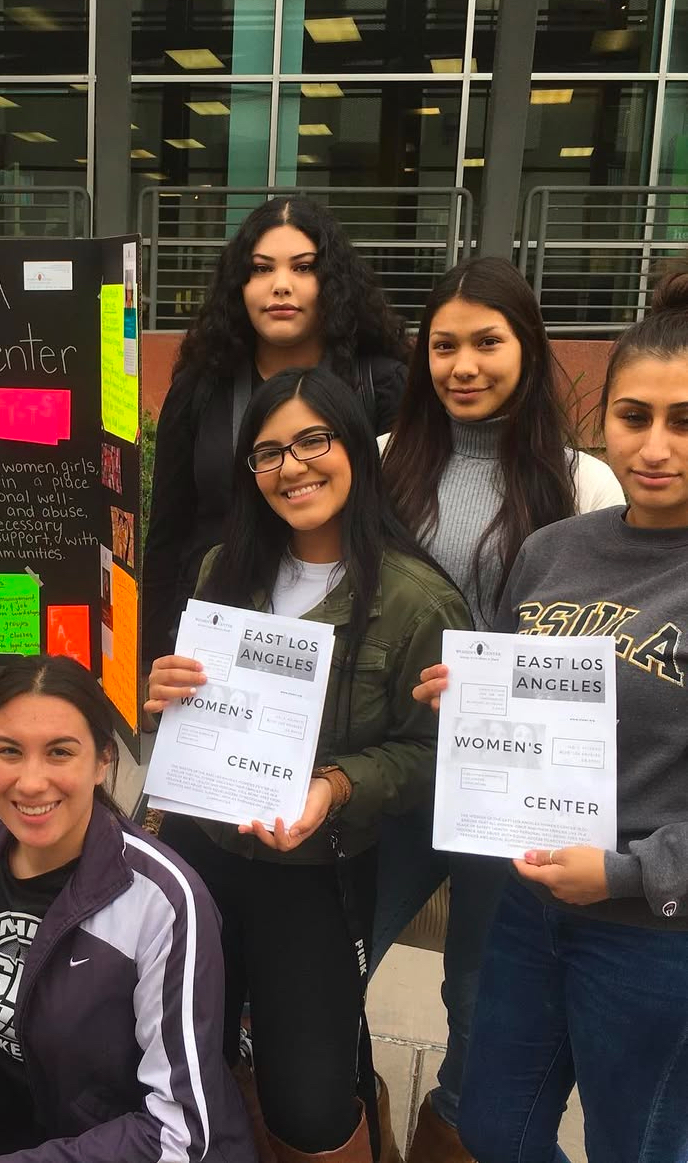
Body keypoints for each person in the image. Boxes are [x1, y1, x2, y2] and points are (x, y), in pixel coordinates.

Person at [146, 368, 470, 1163]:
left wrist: (337, 784)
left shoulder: (416, 599)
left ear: (354, 445)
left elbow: (433, 753)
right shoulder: (222, 568)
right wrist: (167, 689)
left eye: (312, 441)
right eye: (268, 452)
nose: (291, 467)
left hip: (318, 869)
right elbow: (196, 705)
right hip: (202, 850)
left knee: (309, 1101)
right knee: (184, 1052)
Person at [412, 263, 688, 1163]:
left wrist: (625, 873)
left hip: (655, 929)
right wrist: (467, 701)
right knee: (496, 1125)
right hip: (533, 905)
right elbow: (512, 691)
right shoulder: (554, 550)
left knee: (636, 1145)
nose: (655, 446)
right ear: (604, 419)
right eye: (634, 416)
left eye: (684, 421)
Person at [373, 257, 624, 1162]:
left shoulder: (585, 483)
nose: (464, 365)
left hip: (512, 790)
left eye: (487, 342)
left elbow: (608, 643)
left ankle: (448, 1127)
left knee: (481, 991)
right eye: (444, 346)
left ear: (528, 348)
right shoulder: (379, 462)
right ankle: (347, 1107)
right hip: (392, 764)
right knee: (328, 956)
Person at [0, 654, 255, 1163]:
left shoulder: (163, 901)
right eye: (9, 751)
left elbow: (179, 1131)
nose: (31, 782)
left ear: (102, 761)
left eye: (59, 752)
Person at [142, 196, 409, 666]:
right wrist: (152, 656)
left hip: (354, 645)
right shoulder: (202, 387)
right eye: (261, 269)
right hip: (215, 637)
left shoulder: (381, 385)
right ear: (239, 285)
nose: (281, 286)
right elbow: (168, 531)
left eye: (303, 268)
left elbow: (406, 521)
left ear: (333, 282)